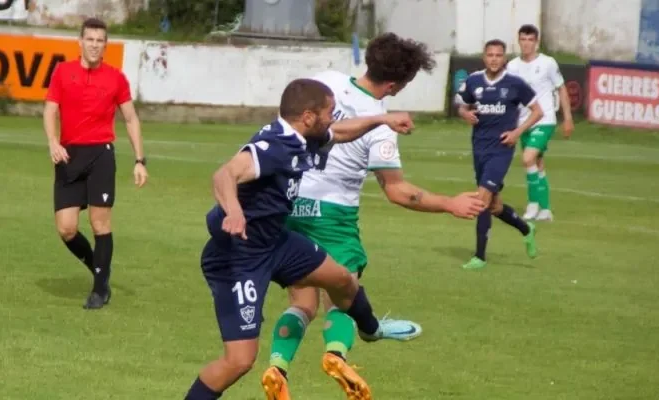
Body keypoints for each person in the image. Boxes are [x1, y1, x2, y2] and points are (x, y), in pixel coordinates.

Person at [261, 33, 487, 400]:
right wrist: (449, 203)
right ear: (397, 84)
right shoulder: (382, 125)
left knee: (302, 303)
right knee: (344, 297)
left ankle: (277, 366)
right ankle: (335, 355)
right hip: (334, 217)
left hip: (291, 204)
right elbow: (397, 191)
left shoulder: (324, 84)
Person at [184, 78, 419, 400]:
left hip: (276, 243)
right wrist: (234, 211)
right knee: (239, 361)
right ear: (309, 116)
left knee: (342, 279)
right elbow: (224, 174)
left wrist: (383, 119)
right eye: (330, 113)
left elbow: (342, 132)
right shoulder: (275, 145)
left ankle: (370, 330)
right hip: (238, 257)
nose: (333, 119)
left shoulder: (304, 135)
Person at [43, 18, 148, 309]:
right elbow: (50, 111)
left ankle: (99, 289)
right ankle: (99, 269)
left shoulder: (116, 78)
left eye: (100, 40)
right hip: (69, 155)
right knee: (66, 228)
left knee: (100, 223)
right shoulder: (63, 73)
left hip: (101, 154)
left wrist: (140, 160)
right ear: (80, 42)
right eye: (90, 39)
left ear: (105, 45)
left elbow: (130, 118)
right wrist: (53, 142)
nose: (94, 45)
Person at [455, 39, 542, 270]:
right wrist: (465, 114)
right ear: (484, 57)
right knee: (494, 206)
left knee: (481, 200)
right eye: (490, 55)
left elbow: (538, 111)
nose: (494, 59)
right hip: (479, 148)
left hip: (501, 150)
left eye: (499, 55)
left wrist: (517, 133)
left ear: (504, 58)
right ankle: (526, 229)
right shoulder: (474, 81)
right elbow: (462, 106)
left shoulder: (515, 84)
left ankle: (480, 257)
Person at [506, 24, 575, 221]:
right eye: (523, 39)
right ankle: (545, 210)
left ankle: (533, 204)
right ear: (518, 41)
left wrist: (567, 118)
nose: (526, 44)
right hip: (522, 121)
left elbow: (561, 89)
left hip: (544, 119)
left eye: (530, 40)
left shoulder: (548, 63)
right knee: (537, 163)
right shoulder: (512, 66)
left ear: (536, 42)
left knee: (527, 158)